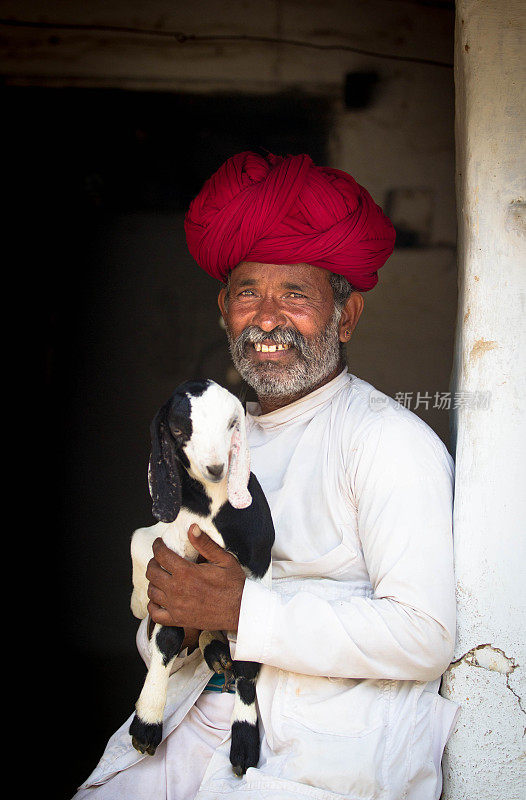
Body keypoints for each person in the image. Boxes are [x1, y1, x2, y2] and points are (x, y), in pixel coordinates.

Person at [74, 151, 459, 800]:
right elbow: (180, 616)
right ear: (225, 308)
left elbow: (424, 638)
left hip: (317, 757)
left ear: (347, 315)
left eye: (296, 295)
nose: (268, 318)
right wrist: (181, 611)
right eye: (249, 293)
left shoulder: (389, 441)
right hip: (187, 731)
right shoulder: (223, 433)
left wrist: (239, 607)